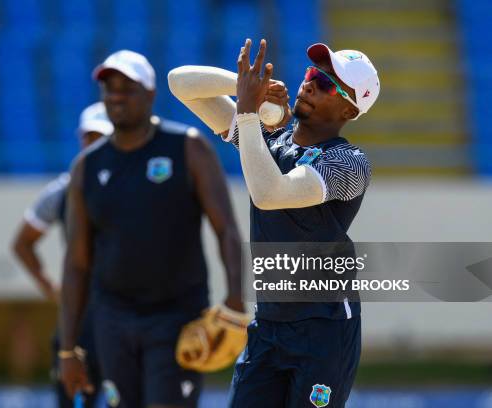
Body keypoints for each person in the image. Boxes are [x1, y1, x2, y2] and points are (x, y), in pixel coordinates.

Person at [169, 39, 379, 407]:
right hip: (269, 321)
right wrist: (244, 85)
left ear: (349, 109)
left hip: (324, 326)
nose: (310, 83)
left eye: (328, 83)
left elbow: (270, 192)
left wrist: (249, 113)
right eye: (313, 73)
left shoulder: (350, 162)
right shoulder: (271, 140)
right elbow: (180, 83)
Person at [59, 50, 245, 408]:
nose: (116, 96)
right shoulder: (86, 167)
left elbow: (227, 230)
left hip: (177, 315)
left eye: (127, 87)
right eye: (109, 88)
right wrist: (68, 348)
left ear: (150, 94)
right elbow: (77, 263)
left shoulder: (188, 148)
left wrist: (235, 299)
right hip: (112, 318)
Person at [12, 101, 113, 408]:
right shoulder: (64, 189)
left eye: (102, 138)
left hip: (123, 313)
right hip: (80, 317)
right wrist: (50, 288)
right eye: (89, 137)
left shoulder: (135, 187)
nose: (94, 144)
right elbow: (23, 242)